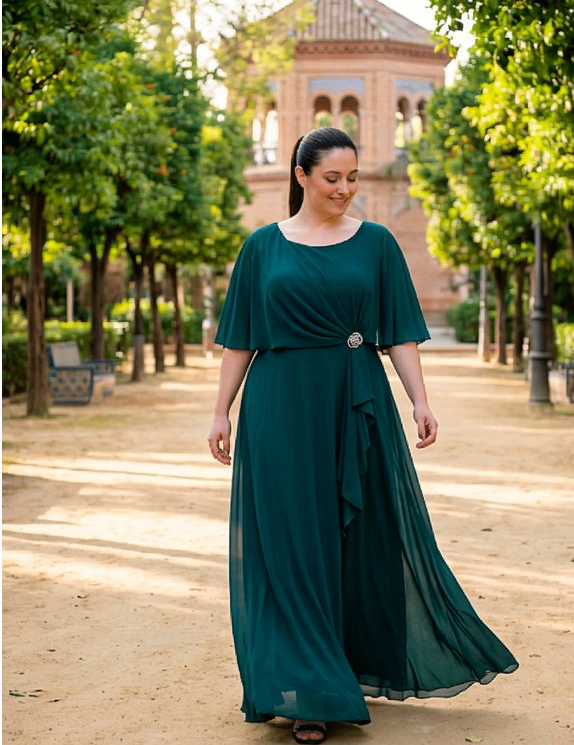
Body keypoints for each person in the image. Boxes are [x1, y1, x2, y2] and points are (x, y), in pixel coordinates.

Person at [207, 127, 518, 744]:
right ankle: (309, 692)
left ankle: (344, 668)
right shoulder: (260, 247)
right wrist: (221, 411)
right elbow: (240, 337)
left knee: (358, 539)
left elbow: (398, 330)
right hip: (278, 408)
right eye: (332, 178)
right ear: (301, 176)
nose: (345, 189)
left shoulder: (377, 243)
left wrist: (420, 399)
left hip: (356, 401)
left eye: (352, 177)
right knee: (290, 543)